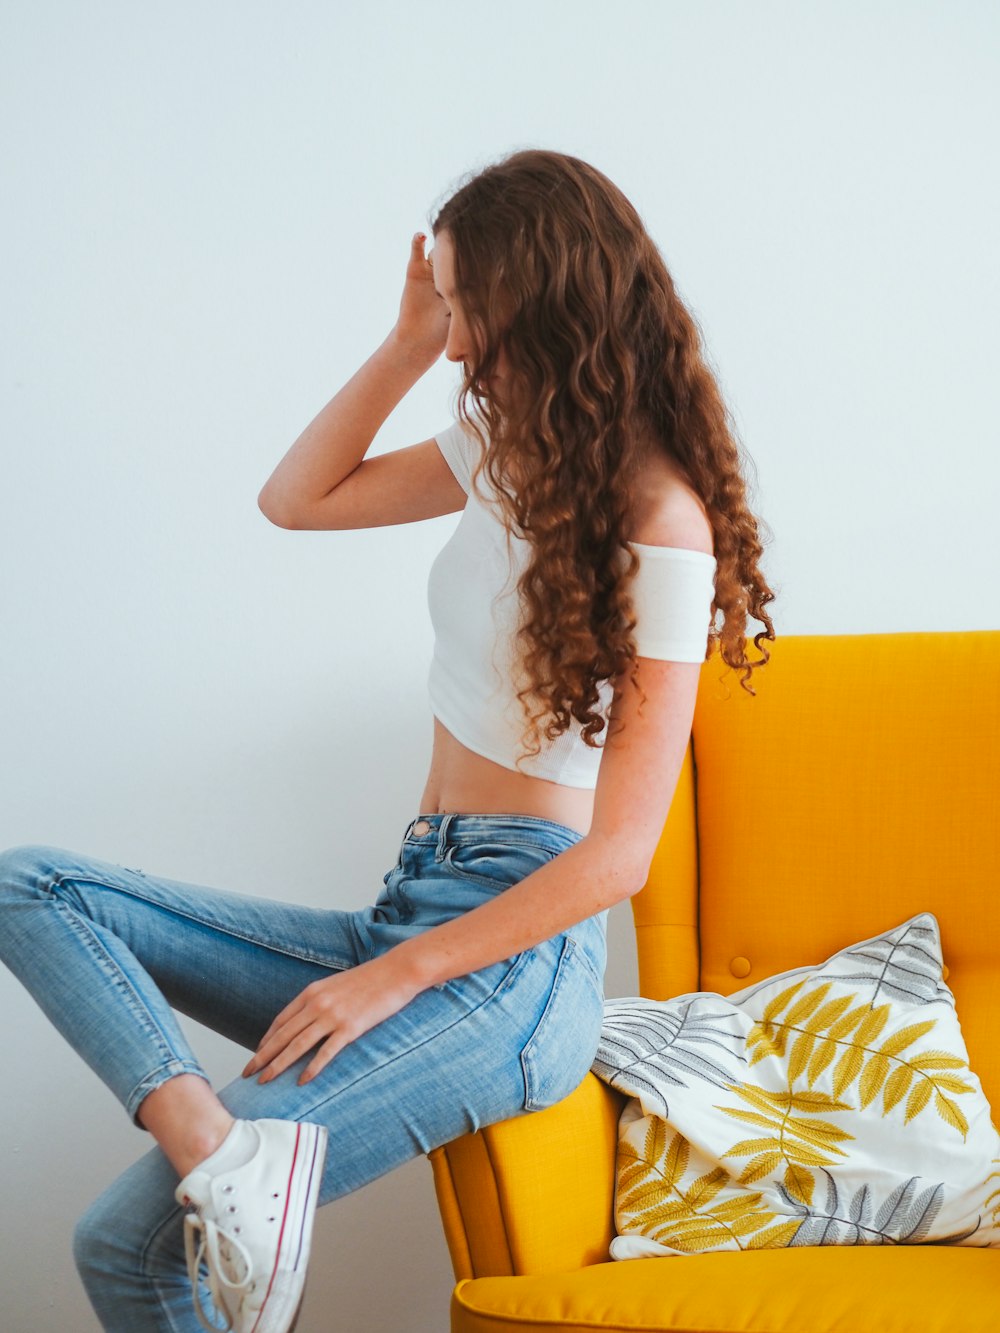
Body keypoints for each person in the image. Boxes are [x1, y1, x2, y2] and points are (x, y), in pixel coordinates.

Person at [0, 147, 775, 1333]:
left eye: (466, 309)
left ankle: (233, 1164)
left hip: (506, 967)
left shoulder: (662, 524)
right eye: (450, 311)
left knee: (122, 1242)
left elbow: (620, 856)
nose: (458, 344)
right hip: (413, 900)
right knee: (32, 885)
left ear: (542, 299)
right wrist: (405, 340)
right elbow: (295, 498)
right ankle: (219, 1147)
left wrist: (392, 973)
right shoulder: (507, 457)